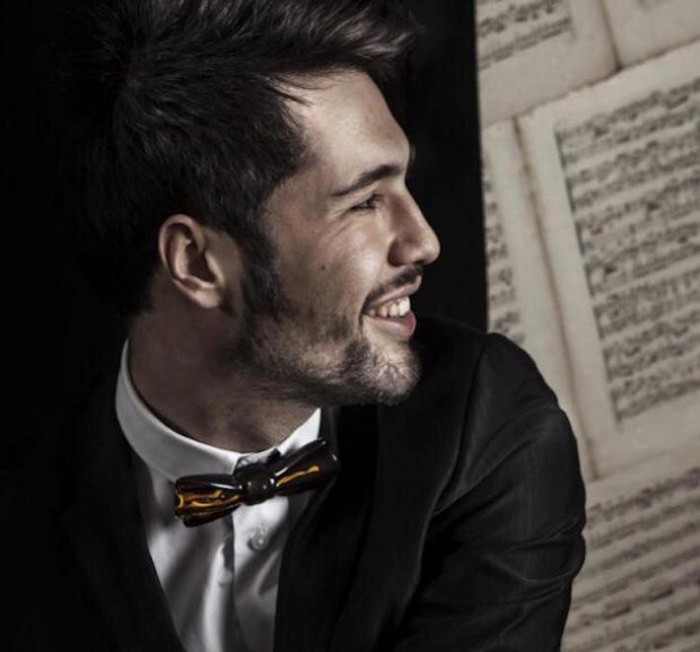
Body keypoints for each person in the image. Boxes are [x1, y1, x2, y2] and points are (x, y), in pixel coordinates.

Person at [2, 0, 586, 650]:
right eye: (364, 201)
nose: (423, 242)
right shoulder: (17, 526)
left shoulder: (492, 431)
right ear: (197, 263)